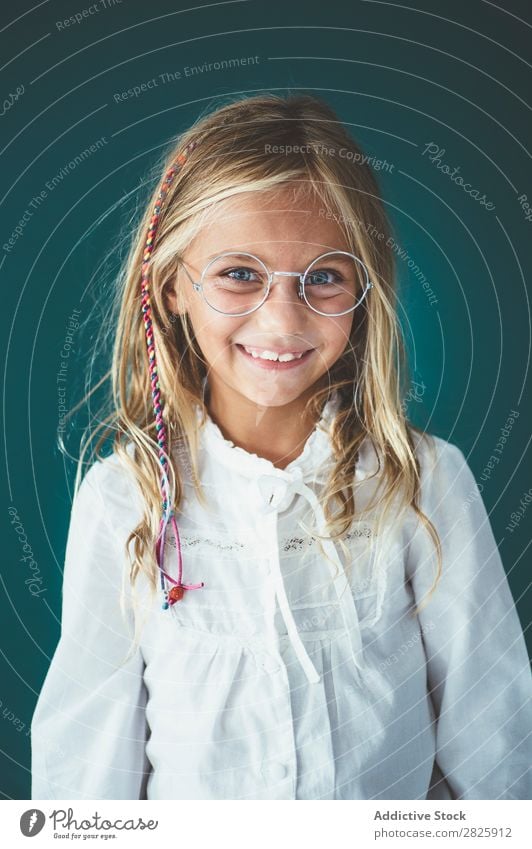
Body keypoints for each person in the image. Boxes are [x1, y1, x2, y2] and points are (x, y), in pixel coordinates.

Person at [31, 93, 531, 800]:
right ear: (173, 284)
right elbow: (85, 761)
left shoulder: (424, 483)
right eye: (240, 273)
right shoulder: (125, 499)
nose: (282, 317)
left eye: (323, 277)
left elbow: (496, 738)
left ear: (364, 288)